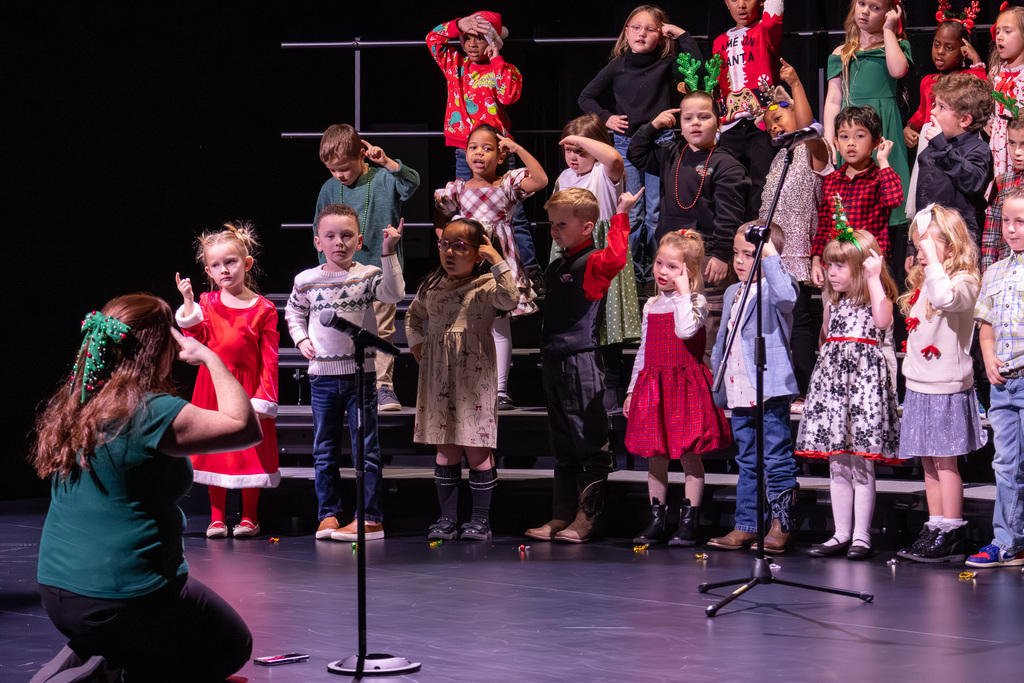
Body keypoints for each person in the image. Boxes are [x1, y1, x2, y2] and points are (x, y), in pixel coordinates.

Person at [34, 294, 259, 681]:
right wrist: (209, 357)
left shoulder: (77, 402)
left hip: (58, 591)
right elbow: (244, 427)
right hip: (122, 597)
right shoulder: (150, 411)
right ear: (161, 347)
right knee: (230, 645)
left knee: (152, 633)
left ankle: (98, 655)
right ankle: (109, 672)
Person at [525, 187, 640, 542]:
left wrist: (620, 214)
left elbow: (616, 258)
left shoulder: (592, 262)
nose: (554, 230)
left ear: (587, 227)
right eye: (552, 223)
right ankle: (561, 514)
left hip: (581, 359)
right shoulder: (559, 263)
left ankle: (588, 518)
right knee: (562, 443)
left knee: (587, 439)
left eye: (561, 224)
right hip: (555, 359)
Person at [285, 204, 405, 542]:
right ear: (318, 241)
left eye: (347, 235)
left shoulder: (366, 275)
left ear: (359, 240)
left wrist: (387, 253)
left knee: (365, 448)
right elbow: (294, 312)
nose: (339, 242)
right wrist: (302, 338)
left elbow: (394, 293)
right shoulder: (307, 280)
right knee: (324, 449)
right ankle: (328, 515)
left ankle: (370, 518)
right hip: (322, 377)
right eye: (331, 236)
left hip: (360, 376)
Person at [405, 219, 518, 542]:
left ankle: (480, 520)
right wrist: (416, 343)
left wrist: (497, 259)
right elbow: (413, 315)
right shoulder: (432, 286)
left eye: (460, 247)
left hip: (473, 376)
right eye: (445, 245)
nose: (449, 252)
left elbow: (511, 299)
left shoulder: (486, 286)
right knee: (446, 450)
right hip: (438, 375)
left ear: (478, 252)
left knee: (477, 449)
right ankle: (447, 519)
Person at [798, 211, 901, 560]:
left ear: (861, 268)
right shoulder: (832, 300)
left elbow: (883, 321)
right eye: (830, 265)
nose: (832, 272)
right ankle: (840, 533)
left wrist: (874, 278)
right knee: (838, 462)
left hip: (863, 386)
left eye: (840, 266)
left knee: (861, 463)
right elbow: (827, 337)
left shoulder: (876, 296)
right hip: (833, 383)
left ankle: (861, 536)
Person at [578, 4, 702, 282]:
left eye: (650, 29)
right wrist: (606, 118)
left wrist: (682, 35)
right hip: (627, 143)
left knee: (657, 212)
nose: (642, 34)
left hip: (661, 144)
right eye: (636, 27)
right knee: (633, 213)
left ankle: (660, 272)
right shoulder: (617, 66)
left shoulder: (666, 64)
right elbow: (585, 97)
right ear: (626, 32)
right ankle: (630, 274)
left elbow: (697, 70)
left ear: (661, 35)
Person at [628, 89, 750, 365]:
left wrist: (721, 254)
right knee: (671, 329)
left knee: (704, 330)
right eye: (688, 118)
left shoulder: (727, 165)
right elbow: (636, 153)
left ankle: (706, 395)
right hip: (671, 256)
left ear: (718, 123)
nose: (695, 123)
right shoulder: (672, 153)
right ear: (679, 124)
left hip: (705, 258)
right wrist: (653, 126)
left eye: (704, 117)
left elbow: (729, 214)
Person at [626, 230, 731, 547]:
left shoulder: (695, 302)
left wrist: (685, 292)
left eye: (672, 267)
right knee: (655, 455)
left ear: (689, 271)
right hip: (654, 384)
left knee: (687, 454)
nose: (661, 271)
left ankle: (689, 521)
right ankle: (657, 518)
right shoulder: (651, 305)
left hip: (684, 386)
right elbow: (643, 351)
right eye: (659, 263)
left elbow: (686, 331)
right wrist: (633, 388)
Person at [175, 222, 279, 539]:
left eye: (230, 262)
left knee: (249, 452)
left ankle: (249, 517)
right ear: (208, 270)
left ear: (246, 264)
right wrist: (190, 303)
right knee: (215, 450)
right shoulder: (207, 303)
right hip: (213, 387)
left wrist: (264, 398)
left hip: (247, 389)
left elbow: (270, 358)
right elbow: (197, 336)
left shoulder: (264, 308)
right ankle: (217, 517)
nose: (224, 270)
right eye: (216, 265)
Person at [435, 123, 548, 409]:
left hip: (499, 261)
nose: (479, 153)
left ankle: (499, 390)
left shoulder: (507, 184)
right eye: (473, 147)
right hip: (468, 263)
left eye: (488, 148)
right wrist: (447, 244)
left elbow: (541, 179)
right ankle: (467, 385)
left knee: (498, 325)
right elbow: (440, 217)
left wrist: (518, 149)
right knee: (466, 325)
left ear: (500, 155)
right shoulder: (457, 190)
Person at [895, 205, 984, 563]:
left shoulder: (965, 282)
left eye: (929, 245)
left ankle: (952, 529)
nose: (921, 253)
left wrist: (931, 260)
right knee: (929, 462)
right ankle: (934, 525)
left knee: (946, 462)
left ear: (951, 244)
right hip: (920, 385)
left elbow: (947, 299)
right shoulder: (925, 283)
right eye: (919, 246)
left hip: (947, 386)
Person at [426, 11, 541, 286]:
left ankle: (530, 270)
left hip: (496, 152)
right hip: (463, 149)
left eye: (480, 37)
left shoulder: (505, 69)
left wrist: (496, 58)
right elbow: (432, 39)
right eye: (467, 37)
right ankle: (470, 266)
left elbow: (509, 95)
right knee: (465, 209)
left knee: (514, 210)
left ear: (493, 40)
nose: (472, 43)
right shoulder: (455, 65)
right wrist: (457, 25)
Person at [708, 222, 800, 554]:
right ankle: (746, 524)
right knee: (747, 459)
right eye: (736, 254)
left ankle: (781, 524)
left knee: (775, 456)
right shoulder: (734, 292)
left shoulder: (779, 285)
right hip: (738, 387)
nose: (740, 261)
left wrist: (771, 252)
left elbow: (786, 298)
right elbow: (723, 339)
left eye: (749, 254)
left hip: (769, 387)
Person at [314, 124, 420, 411]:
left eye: (344, 168)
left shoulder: (384, 178)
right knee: (344, 329)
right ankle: (349, 386)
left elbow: (411, 183)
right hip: (341, 274)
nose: (339, 175)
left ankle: (383, 387)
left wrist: (386, 161)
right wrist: (327, 268)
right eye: (333, 170)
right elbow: (319, 229)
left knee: (381, 329)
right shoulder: (329, 188)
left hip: (378, 269)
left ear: (362, 154)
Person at [552, 114, 643, 407]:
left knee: (607, 319)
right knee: (576, 321)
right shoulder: (564, 179)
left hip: (601, 249)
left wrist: (579, 138)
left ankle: (613, 386)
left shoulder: (604, 175)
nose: (574, 156)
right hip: (571, 252)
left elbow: (615, 160)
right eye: (569, 150)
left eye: (581, 150)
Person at [759, 59, 832, 405]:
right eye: (769, 123)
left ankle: (802, 388)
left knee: (800, 321)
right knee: (775, 324)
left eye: (779, 118)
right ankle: (777, 386)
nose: (774, 127)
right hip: (773, 255)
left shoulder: (813, 153)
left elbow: (811, 129)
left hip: (799, 253)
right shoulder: (781, 159)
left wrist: (797, 84)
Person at [965, 185, 1024, 570]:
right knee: (1006, 463)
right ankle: (1008, 541)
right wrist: (987, 357)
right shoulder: (996, 270)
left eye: (1021, 221)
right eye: (1006, 221)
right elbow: (984, 324)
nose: (1012, 228)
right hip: (1003, 382)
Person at [823, 0, 911, 231]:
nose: (865, 11)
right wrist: (829, 140)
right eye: (862, 3)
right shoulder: (840, 53)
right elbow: (833, 98)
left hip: (881, 124)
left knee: (886, 187)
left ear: (889, 12)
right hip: (851, 128)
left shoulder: (895, 45)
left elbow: (898, 70)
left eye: (875, 8)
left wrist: (888, 30)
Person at [811, 105, 903, 287]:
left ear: (876, 142)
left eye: (860, 136)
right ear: (836, 143)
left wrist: (883, 161)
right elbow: (824, 224)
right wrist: (816, 258)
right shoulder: (832, 180)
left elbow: (893, 199)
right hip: (835, 266)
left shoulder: (880, 177)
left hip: (868, 267)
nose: (851, 142)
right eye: (844, 137)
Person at [713, 0, 784, 219]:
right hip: (730, 126)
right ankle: (731, 241)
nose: (742, 5)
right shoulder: (719, 42)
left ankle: (759, 241)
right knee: (729, 186)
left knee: (761, 185)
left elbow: (773, 21)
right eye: (734, 0)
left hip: (761, 123)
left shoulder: (763, 30)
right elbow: (717, 87)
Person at [911, 72, 994, 253]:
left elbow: (974, 183)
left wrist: (943, 149)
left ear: (965, 120)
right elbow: (922, 200)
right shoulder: (930, 150)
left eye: (941, 107)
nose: (932, 111)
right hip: (928, 242)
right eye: (934, 105)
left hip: (959, 245)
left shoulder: (979, 150)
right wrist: (912, 245)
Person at [982, 113, 1024, 273]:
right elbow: (991, 236)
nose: (1017, 152)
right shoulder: (1001, 182)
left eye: (1023, 144)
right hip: (1004, 272)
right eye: (1012, 143)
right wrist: (987, 273)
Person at [987, 5, 1024, 178]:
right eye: (998, 31)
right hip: (999, 143)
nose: (1000, 37)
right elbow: (991, 104)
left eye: (1007, 31)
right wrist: (989, 121)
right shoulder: (996, 71)